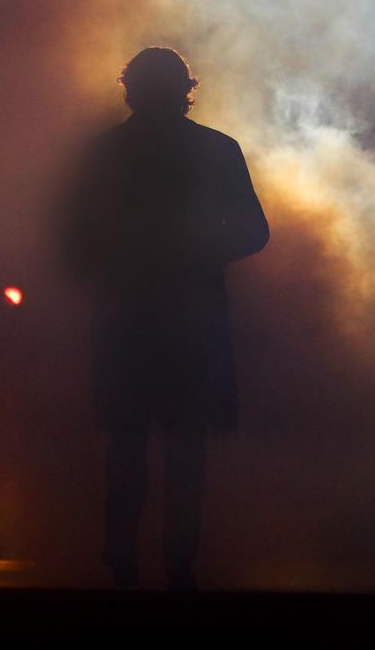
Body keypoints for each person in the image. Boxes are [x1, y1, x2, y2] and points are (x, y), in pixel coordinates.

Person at [57, 46, 269, 592]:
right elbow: (253, 231)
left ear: (131, 89)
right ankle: (175, 563)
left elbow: (73, 237)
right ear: (186, 89)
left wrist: (115, 262)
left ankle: (123, 560)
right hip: (190, 318)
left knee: (129, 444)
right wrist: (196, 254)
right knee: (184, 447)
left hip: (128, 315)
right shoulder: (217, 150)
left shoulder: (106, 151)